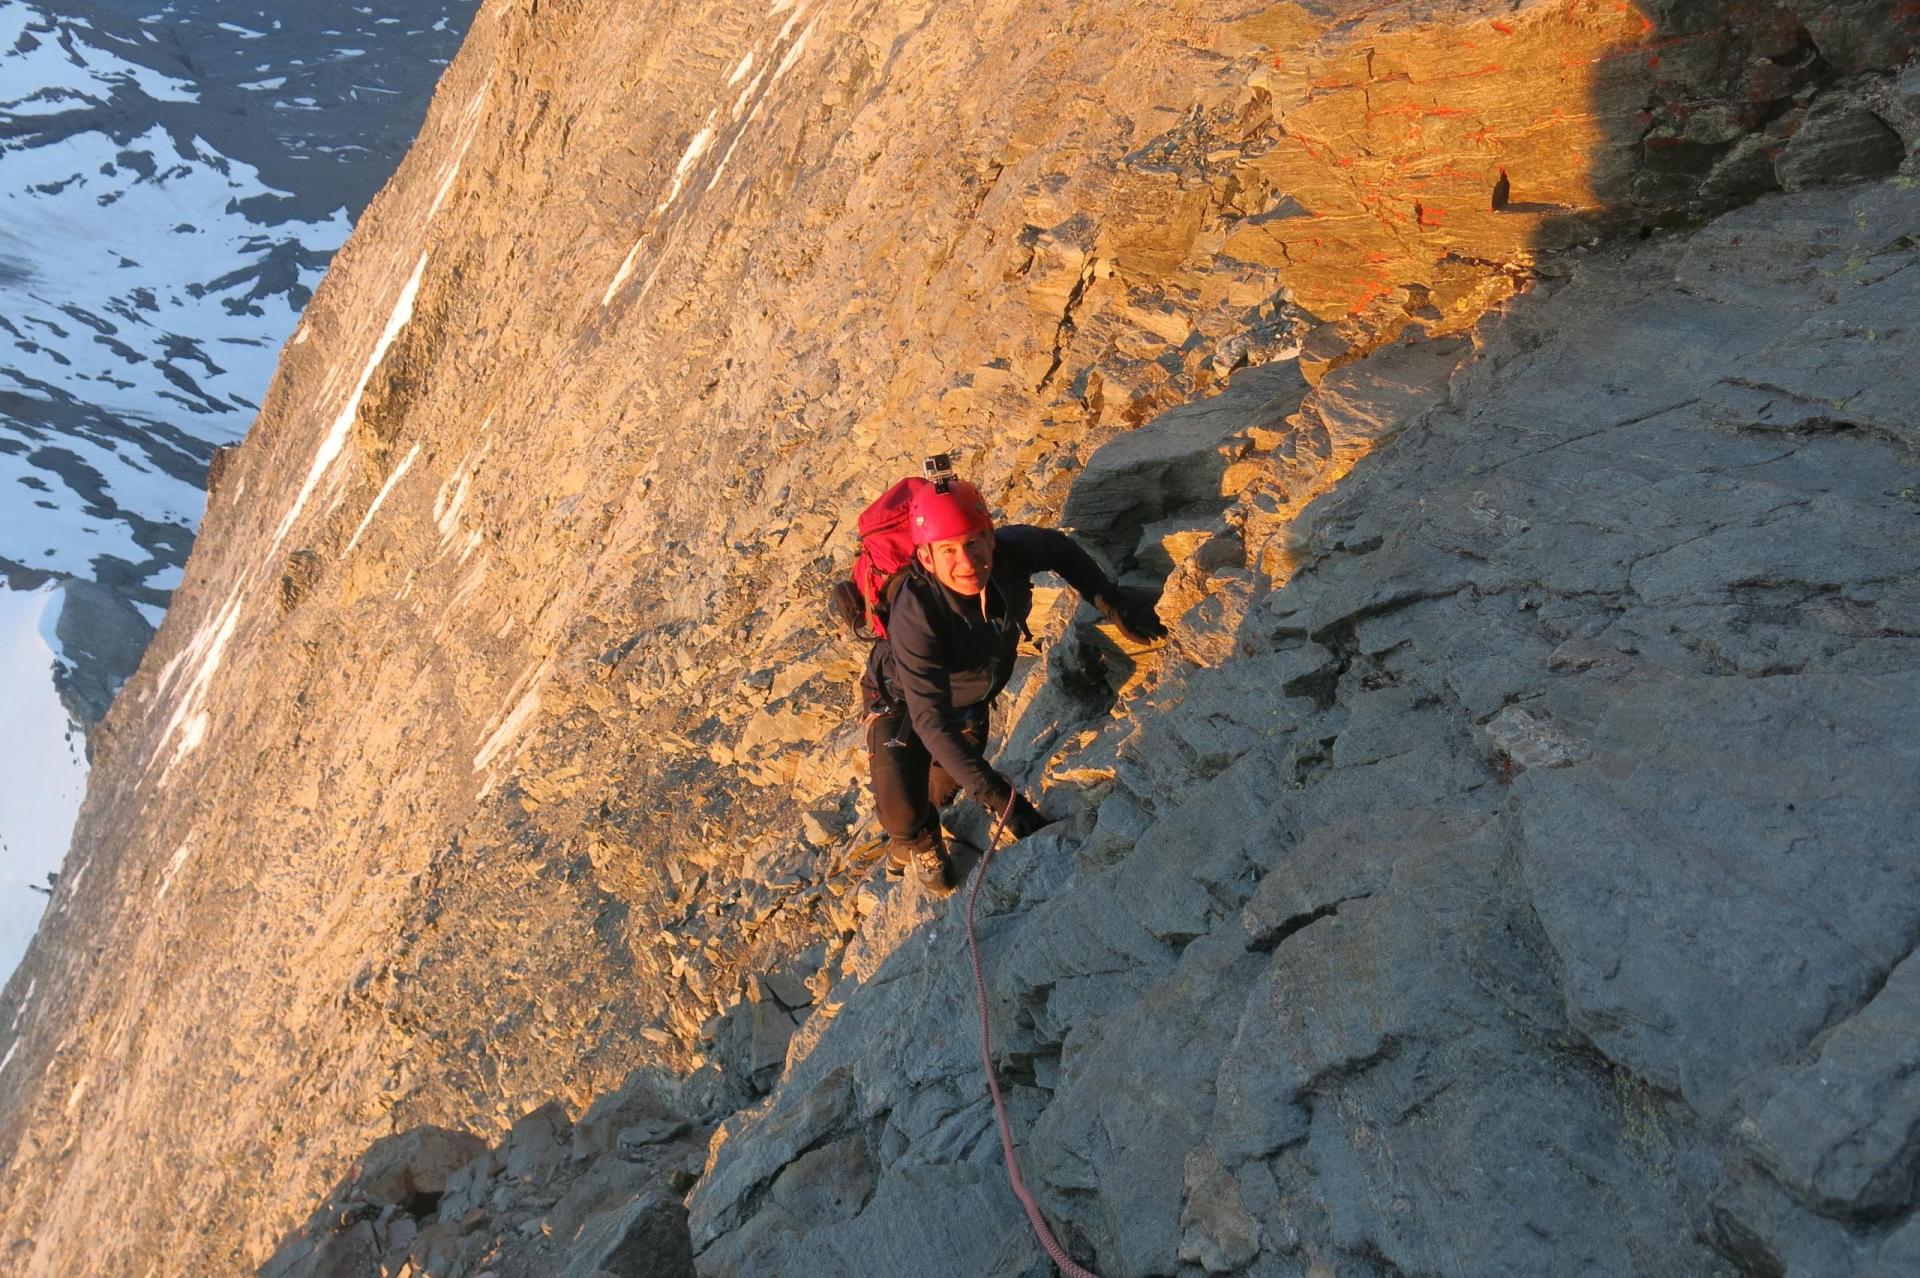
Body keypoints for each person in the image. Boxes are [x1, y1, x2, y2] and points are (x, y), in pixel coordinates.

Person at [860, 474, 1167, 892]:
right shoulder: (917, 614)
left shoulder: (1010, 552)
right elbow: (930, 721)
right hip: (900, 701)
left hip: (967, 700)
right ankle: (912, 840)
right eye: (948, 550)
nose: (966, 562)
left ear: (990, 536)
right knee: (901, 810)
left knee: (942, 786)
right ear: (926, 559)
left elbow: (1059, 549)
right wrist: (1002, 800)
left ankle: (925, 818)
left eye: (973, 543)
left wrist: (1108, 598)